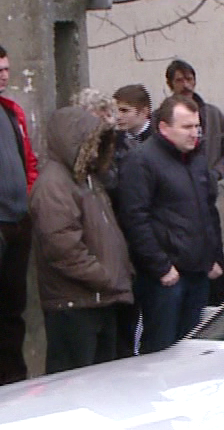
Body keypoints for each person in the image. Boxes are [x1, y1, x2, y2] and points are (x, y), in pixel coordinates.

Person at [115, 95, 224, 354]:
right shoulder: (141, 161)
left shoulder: (196, 159)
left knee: (189, 351)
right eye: (187, 127)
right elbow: (134, 218)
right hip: (165, 278)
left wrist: (211, 257)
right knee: (160, 350)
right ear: (164, 128)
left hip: (198, 273)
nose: (194, 133)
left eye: (197, 127)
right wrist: (161, 267)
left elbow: (207, 212)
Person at [31, 106, 134, 371]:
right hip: (75, 303)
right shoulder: (54, 184)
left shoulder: (87, 179)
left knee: (102, 384)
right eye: (92, 143)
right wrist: (105, 276)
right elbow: (63, 247)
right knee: (73, 388)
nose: (97, 150)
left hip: (99, 299)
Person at [0, 47, 36, 383]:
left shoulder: (11, 112)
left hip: (17, 222)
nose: (3, 76)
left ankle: (12, 378)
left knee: (13, 310)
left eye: (6, 69)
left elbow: (28, 161)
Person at [163, 59, 224, 181]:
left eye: (189, 79)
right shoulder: (161, 117)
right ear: (170, 84)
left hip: (207, 187)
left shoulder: (214, 115)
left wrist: (216, 173)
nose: (185, 85)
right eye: (179, 80)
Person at [112, 83, 153, 153]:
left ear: (144, 112)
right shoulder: (113, 139)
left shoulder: (159, 137)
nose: (117, 116)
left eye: (124, 110)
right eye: (114, 110)